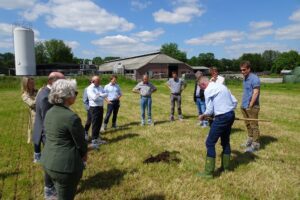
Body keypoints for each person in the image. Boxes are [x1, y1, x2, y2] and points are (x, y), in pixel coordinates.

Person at [41, 79, 87, 200]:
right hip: (65, 168)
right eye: (75, 93)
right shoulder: (71, 117)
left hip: (48, 161)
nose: (76, 95)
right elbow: (81, 144)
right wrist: (84, 154)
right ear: (67, 96)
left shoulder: (50, 112)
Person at [197, 76, 237, 179]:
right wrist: (226, 110)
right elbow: (234, 101)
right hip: (231, 115)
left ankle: (208, 172)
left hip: (221, 118)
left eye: (201, 88)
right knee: (225, 141)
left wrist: (203, 116)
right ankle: (226, 168)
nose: (202, 90)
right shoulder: (222, 86)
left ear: (203, 84)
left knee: (209, 143)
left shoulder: (208, 90)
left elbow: (209, 110)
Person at [32, 71, 64, 199]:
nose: (64, 83)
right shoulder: (45, 96)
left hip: (48, 133)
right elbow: (47, 121)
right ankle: (49, 189)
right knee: (50, 161)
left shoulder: (46, 91)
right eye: (62, 81)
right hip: (48, 135)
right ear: (53, 81)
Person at [240, 61, 261, 152]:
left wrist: (250, 105)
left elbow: (256, 92)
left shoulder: (254, 78)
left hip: (252, 106)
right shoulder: (245, 78)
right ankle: (250, 140)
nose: (242, 72)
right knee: (247, 124)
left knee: (254, 125)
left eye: (244, 70)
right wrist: (244, 105)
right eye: (241, 70)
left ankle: (255, 145)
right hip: (244, 105)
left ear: (249, 69)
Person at [86, 76, 108, 147]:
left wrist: (99, 95)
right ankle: (94, 140)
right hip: (94, 108)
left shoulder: (100, 87)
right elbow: (94, 98)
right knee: (95, 123)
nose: (99, 82)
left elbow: (106, 94)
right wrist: (101, 95)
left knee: (99, 123)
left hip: (100, 107)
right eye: (98, 81)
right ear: (93, 81)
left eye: (99, 81)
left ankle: (97, 137)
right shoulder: (90, 88)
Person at [21, 77, 37, 143]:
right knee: (36, 136)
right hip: (35, 117)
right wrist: (40, 96)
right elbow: (32, 104)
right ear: (26, 84)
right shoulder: (24, 95)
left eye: (33, 83)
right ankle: (37, 153)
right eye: (31, 83)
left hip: (43, 114)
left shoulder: (37, 91)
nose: (33, 84)